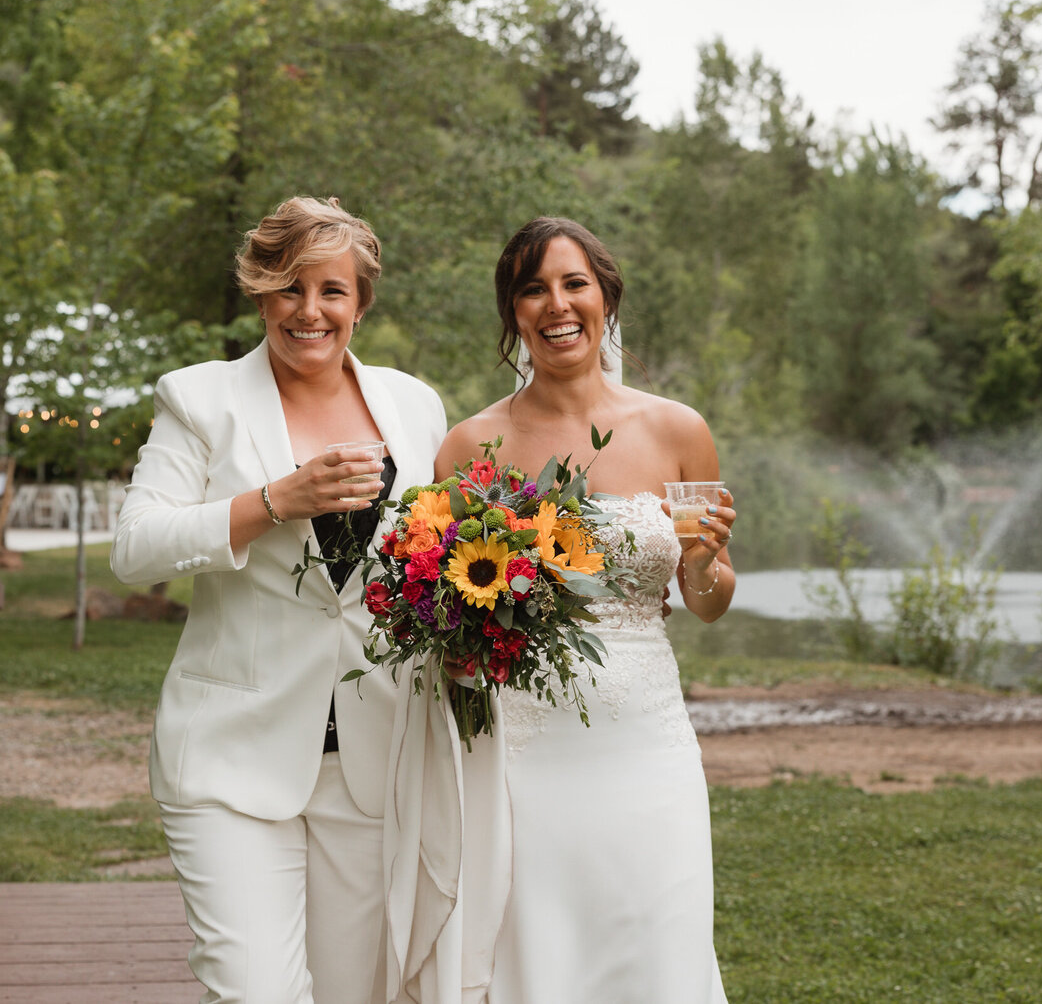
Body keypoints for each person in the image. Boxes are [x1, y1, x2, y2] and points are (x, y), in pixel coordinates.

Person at [385, 217, 737, 1003]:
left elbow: (706, 604)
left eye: (573, 283)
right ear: (513, 313)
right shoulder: (470, 445)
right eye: (532, 289)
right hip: (524, 750)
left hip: (647, 743)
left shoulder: (679, 429)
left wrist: (704, 562)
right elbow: (444, 609)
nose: (557, 304)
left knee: (657, 936)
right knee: (538, 953)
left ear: (606, 296)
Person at [112, 196, 449, 1004]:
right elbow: (136, 548)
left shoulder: (415, 406)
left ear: (360, 302)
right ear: (260, 293)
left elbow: (434, 554)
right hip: (231, 754)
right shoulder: (199, 399)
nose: (309, 311)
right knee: (254, 991)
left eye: (331, 291)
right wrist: (275, 499)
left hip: (374, 760)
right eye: (287, 288)